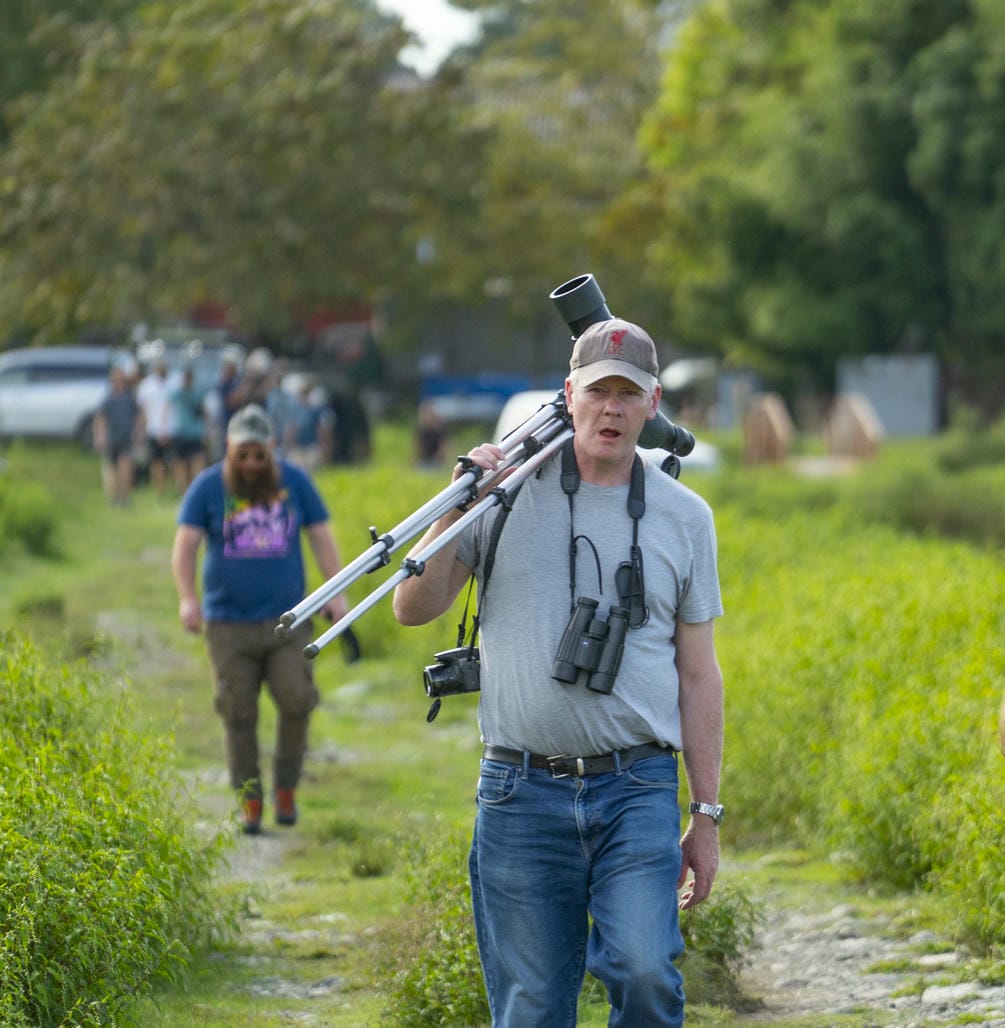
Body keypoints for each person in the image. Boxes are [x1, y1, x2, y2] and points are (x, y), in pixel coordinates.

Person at [392, 318, 725, 1027]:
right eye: (597, 391)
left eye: (627, 395)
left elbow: (698, 676)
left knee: (643, 972)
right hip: (518, 790)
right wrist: (461, 503)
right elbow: (410, 608)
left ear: (652, 404)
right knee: (532, 1009)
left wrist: (704, 813)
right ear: (568, 394)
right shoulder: (504, 495)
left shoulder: (685, 518)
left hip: (635, 787)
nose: (611, 408)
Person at [171, 403, 348, 834]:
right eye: (242, 455)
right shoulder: (208, 487)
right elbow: (186, 545)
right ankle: (249, 801)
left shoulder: (296, 482)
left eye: (258, 455)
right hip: (227, 625)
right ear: (228, 448)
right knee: (239, 711)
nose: (250, 464)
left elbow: (321, 536)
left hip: (288, 621)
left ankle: (285, 789)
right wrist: (187, 599)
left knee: (296, 699)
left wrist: (335, 592)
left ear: (271, 449)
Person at [92, 364, 141, 506]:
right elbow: (100, 419)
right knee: (112, 470)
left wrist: (138, 433)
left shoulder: (129, 398)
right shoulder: (108, 399)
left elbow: (138, 416)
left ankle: (124, 497)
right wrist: (100, 436)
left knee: (125, 468)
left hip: (126, 437)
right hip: (112, 438)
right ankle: (114, 497)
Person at [136, 359, 177, 494]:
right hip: (153, 430)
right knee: (156, 461)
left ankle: (176, 488)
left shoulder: (174, 383)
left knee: (174, 462)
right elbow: (143, 410)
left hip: (173, 430)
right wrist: (142, 429)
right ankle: (160, 490)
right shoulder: (146, 385)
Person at [168, 365, 208, 491]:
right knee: (181, 463)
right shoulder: (178, 394)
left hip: (195, 433)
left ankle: (197, 488)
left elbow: (203, 412)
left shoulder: (197, 394)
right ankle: (183, 489)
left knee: (197, 462)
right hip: (181, 433)